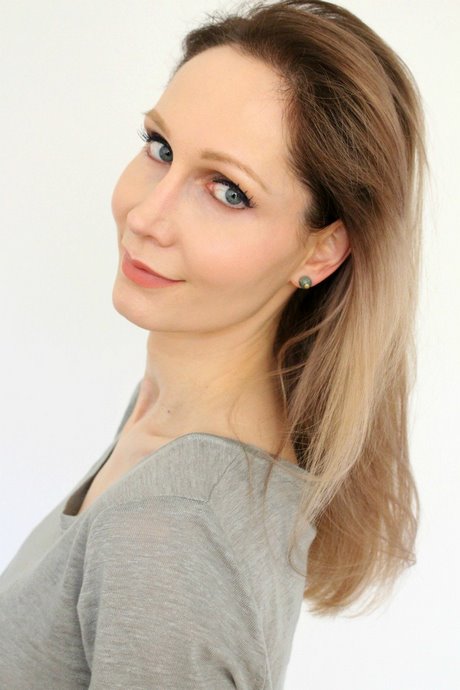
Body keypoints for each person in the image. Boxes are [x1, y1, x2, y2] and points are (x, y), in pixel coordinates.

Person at [0, 1, 426, 687]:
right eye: (161, 148)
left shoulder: (174, 529)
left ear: (321, 249)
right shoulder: (165, 420)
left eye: (228, 191)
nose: (146, 216)